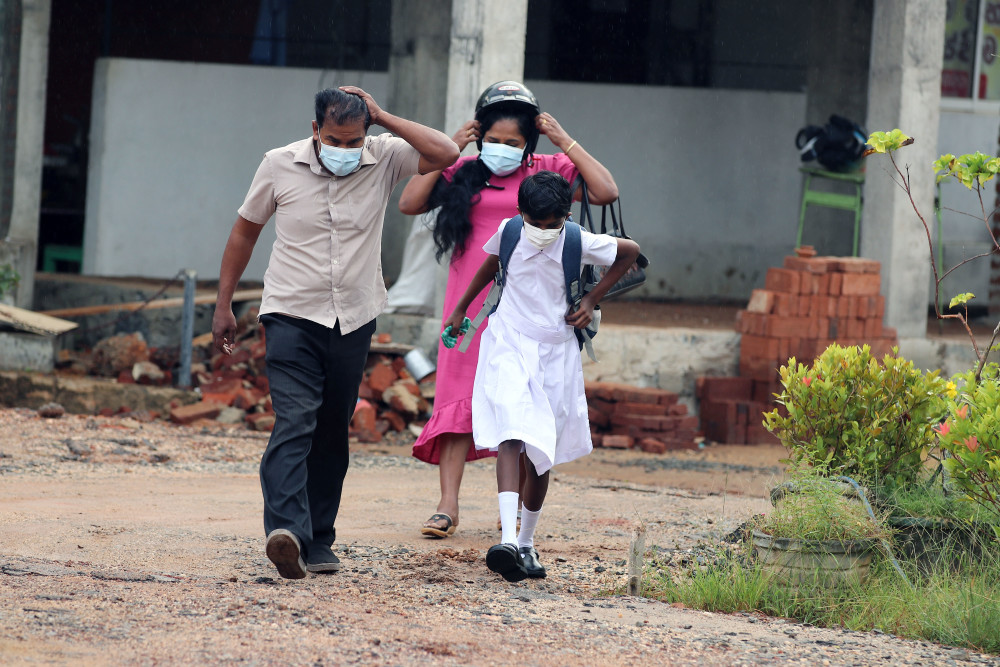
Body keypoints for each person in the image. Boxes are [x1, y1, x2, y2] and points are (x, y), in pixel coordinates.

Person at [212, 87, 458, 579]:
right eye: (334, 140)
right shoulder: (279, 164)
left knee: (331, 431)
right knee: (294, 422)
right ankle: (285, 532)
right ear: (315, 131)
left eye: (353, 141)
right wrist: (224, 303)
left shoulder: (384, 157)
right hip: (290, 314)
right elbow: (245, 230)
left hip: (354, 317)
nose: (345, 150)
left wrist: (384, 116)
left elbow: (446, 153)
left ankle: (319, 539)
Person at [398, 80, 619, 539]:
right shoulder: (463, 169)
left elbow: (605, 191)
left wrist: (565, 140)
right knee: (457, 402)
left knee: (523, 405)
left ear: (529, 143)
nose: (500, 149)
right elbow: (409, 203)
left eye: (512, 143)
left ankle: (512, 513)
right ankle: (447, 505)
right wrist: (450, 148)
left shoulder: (548, 171)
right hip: (469, 302)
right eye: (492, 140)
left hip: (528, 309)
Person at [441, 171, 640, 580]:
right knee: (510, 432)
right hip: (509, 341)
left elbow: (632, 252)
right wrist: (461, 309)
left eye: (553, 224)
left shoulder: (577, 240)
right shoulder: (510, 231)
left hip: (557, 352)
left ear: (567, 214)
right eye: (536, 223)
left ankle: (527, 544)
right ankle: (508, 540)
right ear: (521, 213)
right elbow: (490, 264)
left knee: (540, 454)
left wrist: (591, 298)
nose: (544, 231)